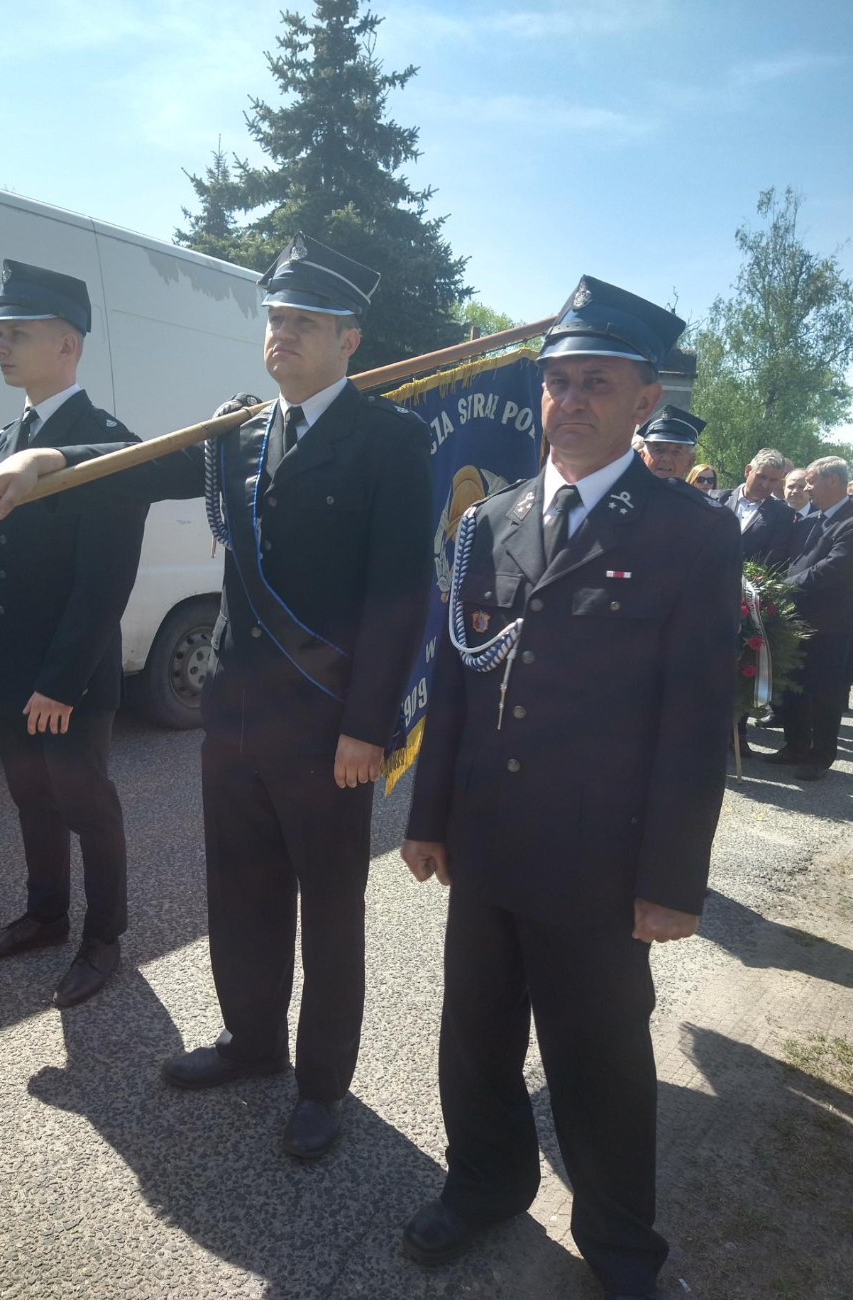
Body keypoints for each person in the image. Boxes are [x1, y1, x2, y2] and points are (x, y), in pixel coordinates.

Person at [0, 234, 434, 1158]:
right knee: (238, 891)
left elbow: (403, 596)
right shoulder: (234, 432)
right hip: (235, 717)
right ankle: (250, 1041)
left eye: (303, 324)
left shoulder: (391, 441)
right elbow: (134, 462)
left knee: (328, 908)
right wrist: (41, 462)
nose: (280, 336)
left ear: (348, 340)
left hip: (330, 727)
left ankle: (322, 1084)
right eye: (275, 320)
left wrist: (369, 723)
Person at [398, 275, 741, 1300]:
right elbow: (457, 681)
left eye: (598, 382)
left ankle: (623, 1245)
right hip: (491, 844)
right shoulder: (488, 523)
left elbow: (694, 727)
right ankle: (487, 1182)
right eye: (559, 381)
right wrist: (428, 818)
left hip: (601, 861)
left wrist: (673, 881)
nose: (572, 400)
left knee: (600, 1065)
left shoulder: (690, 533)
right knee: (476, 1033)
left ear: (644, 401)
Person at [0, 261, 147, 1007]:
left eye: (16, 334)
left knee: (87, 805)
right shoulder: (4, 443)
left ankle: (103, 938)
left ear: (67, 345)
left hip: (72, 677)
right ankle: (46, 916)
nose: (0, 346)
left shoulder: (108, 445)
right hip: (10, 668)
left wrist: (61, 681)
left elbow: (105, 581)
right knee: (32, 800)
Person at [765, 456, 853, 781]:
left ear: (833, 481)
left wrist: (784, 586)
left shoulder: (850, 520)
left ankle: (821, 756)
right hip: (799, 620)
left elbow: (832, 569)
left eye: (811, 481)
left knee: (825, 692)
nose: (806, 488)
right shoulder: (819, 518)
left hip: (829, 625)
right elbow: (801, 559)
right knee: (795, 687)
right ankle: (796, 746)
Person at [710, 449, 793, 567]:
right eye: (761, 477)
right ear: (748, 470)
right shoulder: (715, 499)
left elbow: (774, 556)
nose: (765, 485)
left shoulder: (783, 514)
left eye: (773, 480)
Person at [635, 404, 703, 482]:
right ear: (642, 456)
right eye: (658, 450)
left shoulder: (695, 494)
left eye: (676, 452)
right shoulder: (622, 492)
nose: (666, 459)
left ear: (690, 462)